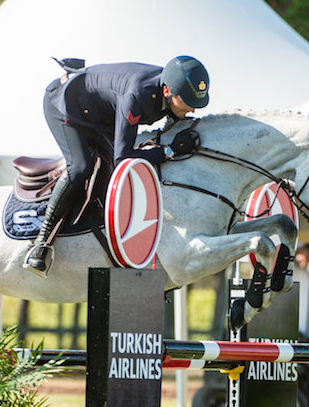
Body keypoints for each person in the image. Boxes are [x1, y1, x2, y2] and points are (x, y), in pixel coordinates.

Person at [23, 55, 211, 275]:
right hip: (66, 107)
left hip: (100, 114)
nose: (193, 109)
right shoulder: (138, 95)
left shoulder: (169, 84)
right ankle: (41, 243)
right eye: (188, 102)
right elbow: (123, 159)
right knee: (81, 167)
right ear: (167, 92)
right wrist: (169, 152)